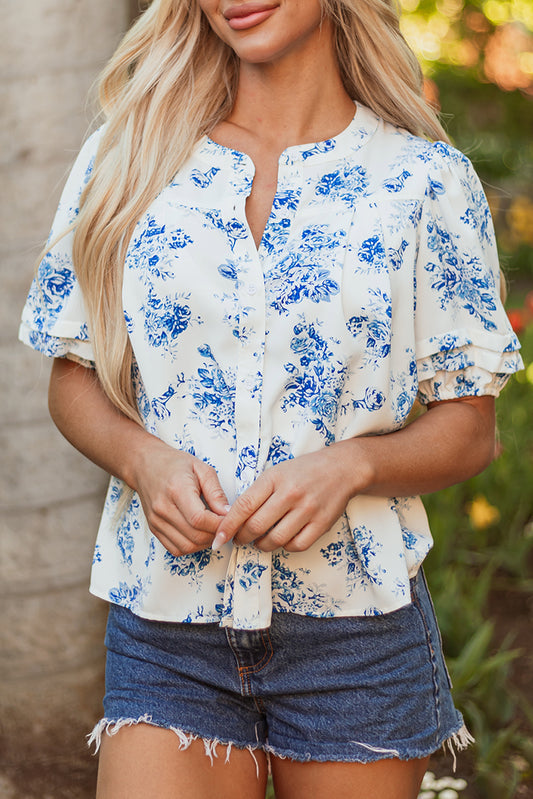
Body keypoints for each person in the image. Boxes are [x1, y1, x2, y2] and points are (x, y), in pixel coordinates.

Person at [19, 1, 523, 797]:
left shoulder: (424, 181)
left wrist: (353, 465)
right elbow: (72, 375)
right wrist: (143, 460)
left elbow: (468, 430)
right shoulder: (126, 159)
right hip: (167, 626)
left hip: (356, 637)